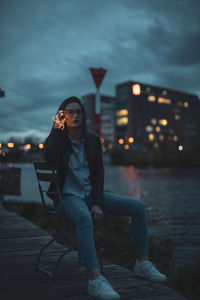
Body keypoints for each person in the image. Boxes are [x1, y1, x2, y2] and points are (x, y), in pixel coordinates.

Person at [44, 96, 167, 300]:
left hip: (92, 195)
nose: (75, 115)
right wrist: (57, 128)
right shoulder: (58, 141)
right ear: (62, 115)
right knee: (84, 218)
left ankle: (142, 263)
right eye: (69, 112)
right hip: (68, 197)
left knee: (137, 206)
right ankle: (95, 280)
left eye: (78, 112)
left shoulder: (92, 140)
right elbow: (48, 157)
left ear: (83, 115)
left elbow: (99, 174)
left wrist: (99, 203)